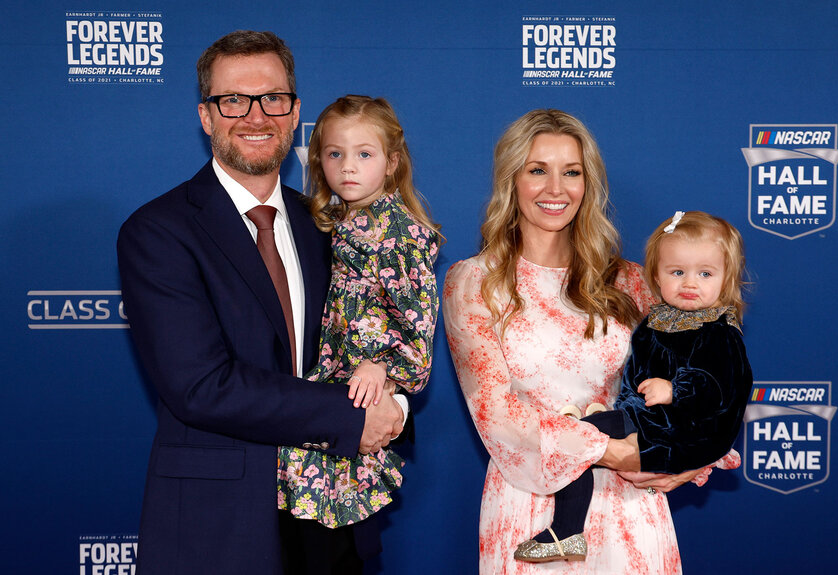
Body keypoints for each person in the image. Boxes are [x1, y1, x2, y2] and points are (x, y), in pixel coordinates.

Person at [117, 31, 405, 575]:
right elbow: (200, 386)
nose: (256, 116)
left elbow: (382, 334)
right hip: (221, 527)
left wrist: (395, 402)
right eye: (234, 101)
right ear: (206, 116)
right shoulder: (157, 232)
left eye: (273, 98)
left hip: (333, 518)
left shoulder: (330, 225)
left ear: (295, 114)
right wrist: (349, 416)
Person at [443, 109, 738, 574]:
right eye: (537, 170)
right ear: (511, 180)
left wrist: (692, 456)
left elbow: (709, 374)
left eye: (572, 172)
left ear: (589, 183)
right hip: (531, 510)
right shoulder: (474, 283)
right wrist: (615, 451)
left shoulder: (633, 282)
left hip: (630, 509)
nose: (555, 188)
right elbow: (497, 415)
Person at [512, 210, 753, 563]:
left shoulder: (719, 332)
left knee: (581, 439)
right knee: (579, 435)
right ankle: (569, 531)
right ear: (656, 275)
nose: (690, 283)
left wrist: (675, 390)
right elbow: (636, 372)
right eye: (677, 272)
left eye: (705, 273)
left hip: (683, 433)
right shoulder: (658, 320)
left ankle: (565, 530)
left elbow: (725, 387)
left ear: (726, 279)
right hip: (645, 420)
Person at [276, 95, 440, 528]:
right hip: (328, 389)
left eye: (364, 154)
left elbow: (418, 328)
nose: (348, 167)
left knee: (332, 537)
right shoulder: (332, 222)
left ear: (392, 163)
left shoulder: (399, 234)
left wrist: (382, 366)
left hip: (360, 396)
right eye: (335, 154)